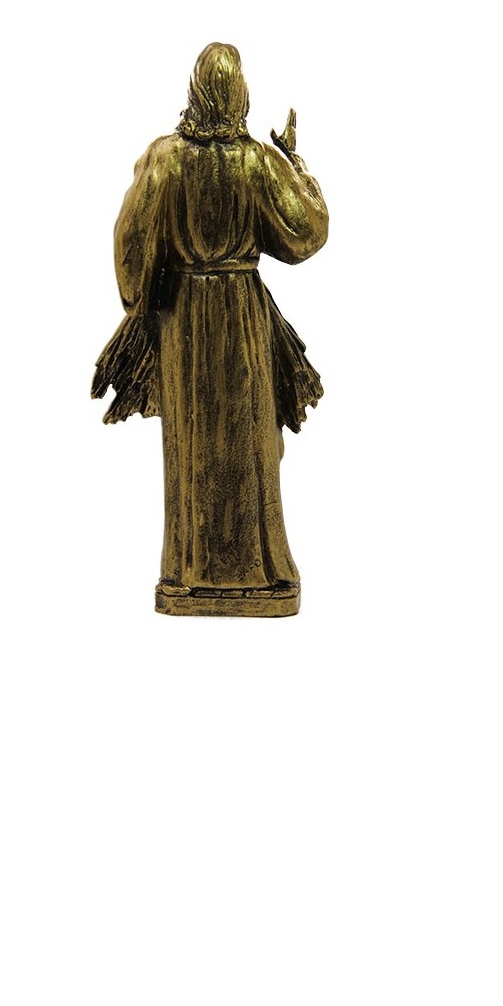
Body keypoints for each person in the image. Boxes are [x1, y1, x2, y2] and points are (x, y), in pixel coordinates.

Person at [92, 43, 328, 616]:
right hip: (242, 317)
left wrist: (142, 302)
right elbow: (306, 233)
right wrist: (295, 164)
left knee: (194, 445)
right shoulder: (256, 162)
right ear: (240, 93)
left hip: (184, 320)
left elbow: (131, 246)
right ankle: (258, 573)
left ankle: (189, 571)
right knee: (250, 442)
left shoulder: (166, 159)